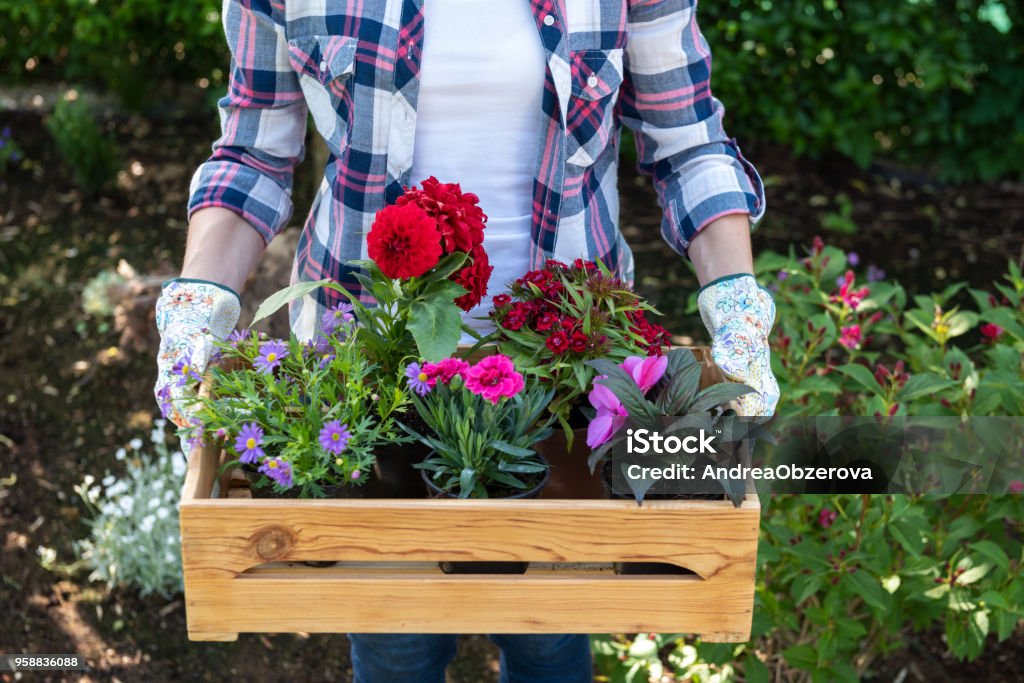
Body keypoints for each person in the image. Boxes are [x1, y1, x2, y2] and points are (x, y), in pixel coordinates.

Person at [154, 1, 780, 680]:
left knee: (548, 632)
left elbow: (687, 142)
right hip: (370, 373)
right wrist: (199, 300)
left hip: (565, 377)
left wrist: (737, 299)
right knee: (397, 643)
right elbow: (253, 152)